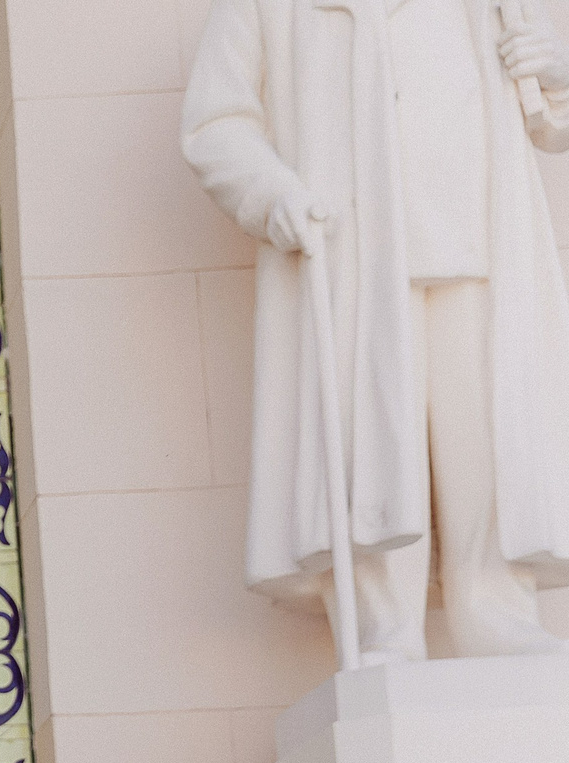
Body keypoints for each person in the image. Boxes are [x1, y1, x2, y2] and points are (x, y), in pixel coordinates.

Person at [182, 0, 569, 661]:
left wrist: (558, 77)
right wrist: (274, 194)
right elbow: (217, 123)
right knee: (369, 448)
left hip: (478, 244)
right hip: (358, 255)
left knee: (488, 443)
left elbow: (548, 118)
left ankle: (495, 613)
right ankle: (384, 627)